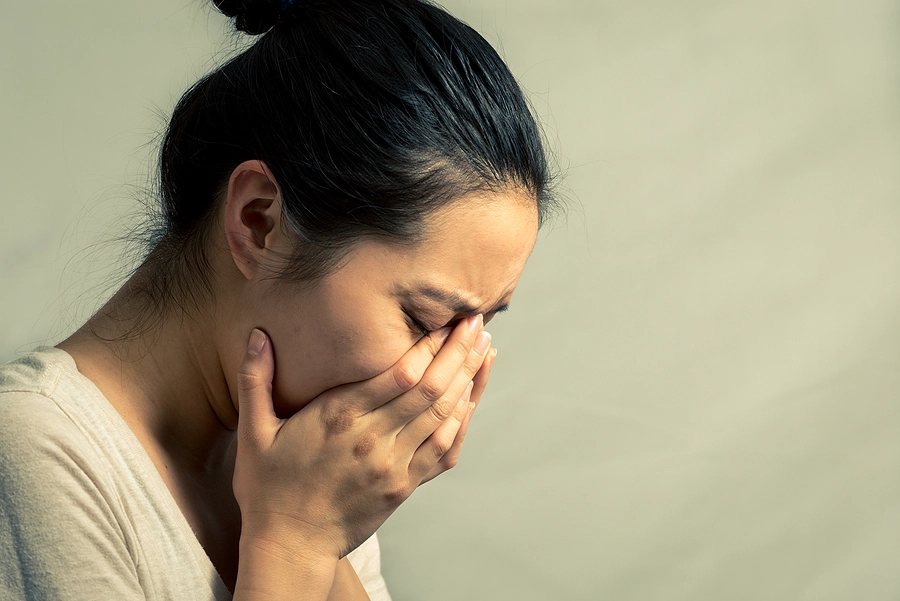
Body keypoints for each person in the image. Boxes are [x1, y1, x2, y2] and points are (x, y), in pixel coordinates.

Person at [0, 0, 555, 599]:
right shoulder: (33, 453)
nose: (448, 380)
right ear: (260, 220)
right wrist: (294, 545)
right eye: (427, 321)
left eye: (477, 330)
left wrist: (314, 528)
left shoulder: (310, 459)